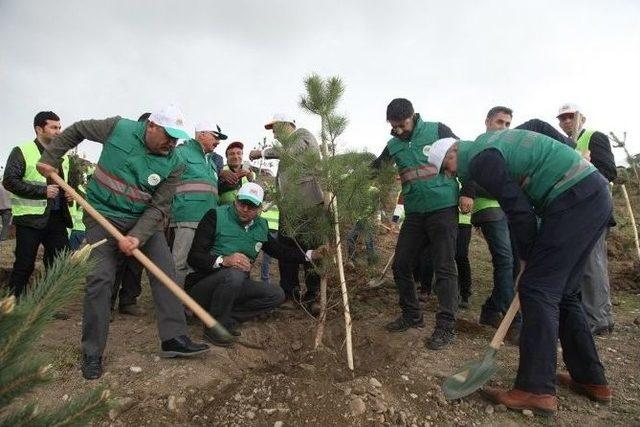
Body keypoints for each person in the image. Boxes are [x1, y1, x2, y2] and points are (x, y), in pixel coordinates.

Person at [428, 129, 613, 415]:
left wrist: (527, 259)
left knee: (537, 289)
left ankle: (535, 390)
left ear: (453, 153)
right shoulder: (490, 145)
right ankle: (590, 379)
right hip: (593, 196)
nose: (451, 175)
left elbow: (519, 211)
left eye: (447, 169)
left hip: (573, 199)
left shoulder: (479, 160)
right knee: (564, 292)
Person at [36, 105, 210, 380]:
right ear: (151, 126)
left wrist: (137, 235)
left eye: (177, 138)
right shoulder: (118, 128)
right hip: (101, 215)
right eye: (168, 135)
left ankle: (174, 339)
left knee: (165, 272)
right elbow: (79, 128)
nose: (172, 143)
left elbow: (159, 207)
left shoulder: (176, 162)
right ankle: (92, 352)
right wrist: (51, 156)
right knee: (100, 279)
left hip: (143, 221)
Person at [370, 98, 467, 350]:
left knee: (444, 266)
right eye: (393, 126)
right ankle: (412, 314)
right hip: (414, 213)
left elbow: (465, 156)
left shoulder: (437, 130)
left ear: (412, 116)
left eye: (402, 124)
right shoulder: (393, 145)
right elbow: (375, 169)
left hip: (443, 208)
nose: (398, 130)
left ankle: (446, 325)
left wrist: (470, 191)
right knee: (401, 264)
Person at [186, 182, 326, 346]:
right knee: (235, 273)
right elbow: (194, 257)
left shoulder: (261, 226)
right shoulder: (215, 216)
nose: (245, 209)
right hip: (203, 286)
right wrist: (224, 261)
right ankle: (213, 328)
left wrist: (311, 254)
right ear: (235, 200)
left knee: (276, 295)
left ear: (260, 208)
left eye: (251, 206)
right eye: (242, 203)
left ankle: (226, 317)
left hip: (235, 286)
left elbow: (281, 252)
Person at [249, 113, 325, 310]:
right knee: (287, 250)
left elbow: (291, 150)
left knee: (310, 247)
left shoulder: (303, 135)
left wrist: (262, 153)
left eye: (275, 127)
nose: (273, 132)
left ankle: (313, 294)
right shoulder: (286, 152)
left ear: (287, 125)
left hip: (308, 205)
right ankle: (290, 293)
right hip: (289, 208)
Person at [557, 103, 617, 335]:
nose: (566, 122)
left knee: (593, 264)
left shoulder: (594, 137)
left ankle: (598, 319)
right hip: (579, 212)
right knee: (586, 264)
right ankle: (601, 315)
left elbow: (608, 172)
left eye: (571, 117)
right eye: (562, 118)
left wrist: (584, 163)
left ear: (581, 119)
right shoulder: (566, 145)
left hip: (594, 209)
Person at [3, 111, 73, 297]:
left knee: (59, 263)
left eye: (60, 127)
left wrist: (69, 194)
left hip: (57, 218)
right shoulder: (22, 151)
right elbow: (9, 181)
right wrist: (42, 191)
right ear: (39, 129)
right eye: (53, 127)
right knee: (24, 266)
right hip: (29, 219)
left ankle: (47, 304)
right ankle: (13, 306)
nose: (59, 131)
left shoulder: (64, 157)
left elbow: (65, 184)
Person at [471, 106, 520, 342]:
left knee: (513, 263)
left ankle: (491, 309)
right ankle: (513, 321)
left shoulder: (508, 148)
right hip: (487, 207)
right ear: (487, 122)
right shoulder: (480, 145)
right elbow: (469, 175)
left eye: (508, 123)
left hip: (509, 208)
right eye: (500, 122)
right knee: (504, 259)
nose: (504, 127)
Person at [169, 121, 221, 286]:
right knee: (180, 262)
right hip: (187, 218)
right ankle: (174, 304)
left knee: (198, 264)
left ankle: (190, 302)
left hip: (208, 222)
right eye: (216, 136)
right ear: (202, 134)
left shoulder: (211, 162)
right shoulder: (181, 153)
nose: (218, 141)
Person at [110, 112, 151, 318]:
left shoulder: (158, 159)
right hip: (119, 214)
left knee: (136, 262)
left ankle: (128, 300)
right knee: (115, 261)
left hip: (142, 220)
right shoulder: (125, 151)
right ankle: (107, 303)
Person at [0, 177, 12, 241]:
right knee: (5, 225)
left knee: (5, 225)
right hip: (8, 209)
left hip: (3, 207)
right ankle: (3, 238)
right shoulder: (11, 188)